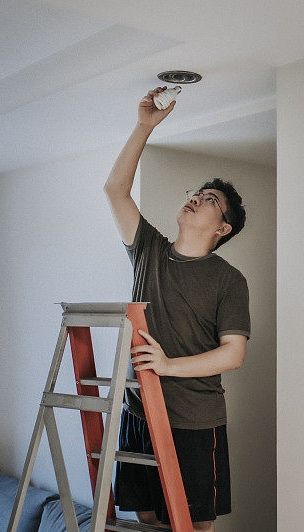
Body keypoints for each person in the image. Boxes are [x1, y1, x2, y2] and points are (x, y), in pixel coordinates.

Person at [103, 86, 250, 532]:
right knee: (146, 521)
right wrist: (144, 127)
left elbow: (233, 354)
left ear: (223, 227)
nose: (197, 197)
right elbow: (115, 190)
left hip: (192, 421)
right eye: (197, 191)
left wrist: (167, 365)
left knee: (192, 526)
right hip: (138, 411)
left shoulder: (228, 279)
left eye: (210, 199)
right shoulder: (149, 249)